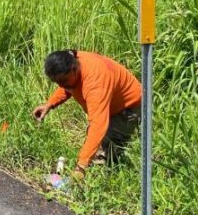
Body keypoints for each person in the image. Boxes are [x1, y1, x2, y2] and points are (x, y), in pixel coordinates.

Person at [32, 49, 142, 182]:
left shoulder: (95, 83)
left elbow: (98, 125)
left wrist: (81, 167)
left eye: (63, 81)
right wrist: (50, 104)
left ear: (74, 69)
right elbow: (67, 87)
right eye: (57, 83)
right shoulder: (72, 60)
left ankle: (93, 186)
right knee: (95, 148)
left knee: (100, 153)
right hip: (111, 105)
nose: (61, 86)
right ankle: (87, 178)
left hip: (127, 109)